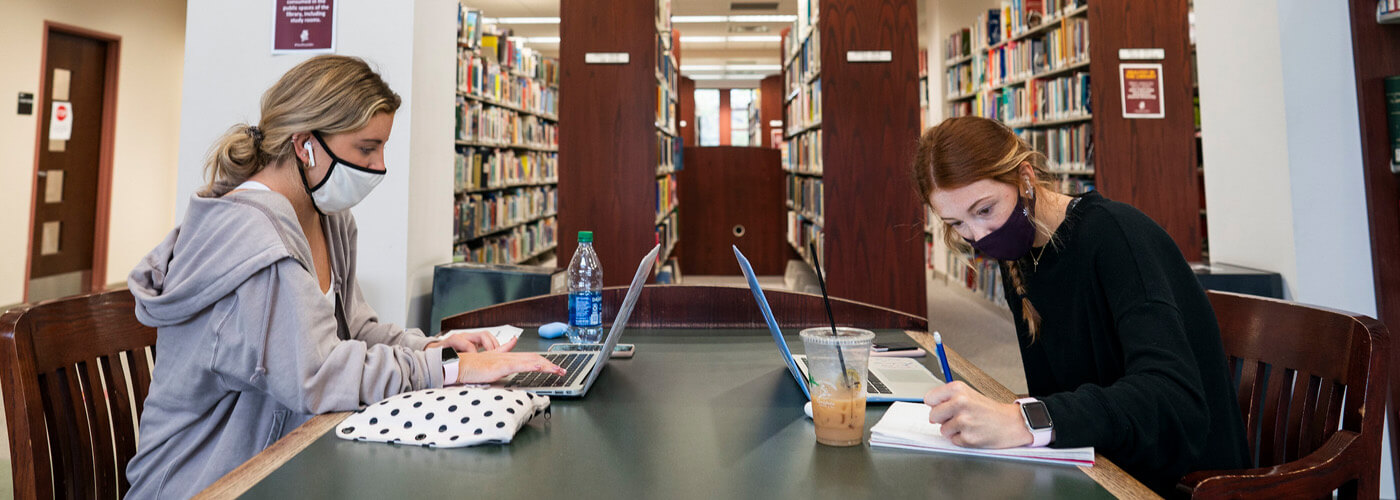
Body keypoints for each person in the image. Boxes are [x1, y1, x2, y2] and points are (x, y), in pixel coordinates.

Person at [124, 55, 565, 498]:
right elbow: (319, 373)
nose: (379, 166)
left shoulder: (328, 218)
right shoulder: (254, 237)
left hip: (283, 457)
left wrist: (434, 347)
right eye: (366, 148)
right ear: (304, 144)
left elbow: (356, 329)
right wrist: (451, 368)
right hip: (210, 480)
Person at [912, 116, 1249, 493]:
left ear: (1024, 177)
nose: (977, 236)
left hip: (1179, 478)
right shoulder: (1020, 256)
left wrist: (1024, 421)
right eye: (956, 223)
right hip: (1099, 461)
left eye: (985, 209)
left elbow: (1172, 401)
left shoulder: (1115, 236)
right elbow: (1060, 392)